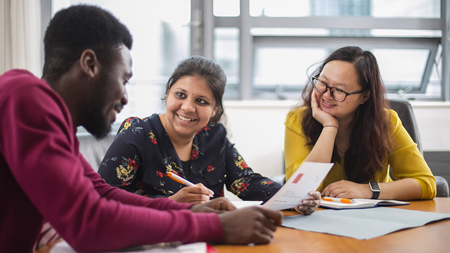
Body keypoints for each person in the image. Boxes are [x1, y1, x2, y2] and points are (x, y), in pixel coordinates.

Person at [0, 5, 285, 253]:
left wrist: (190, 210)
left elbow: (100, 191)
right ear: (89, 64)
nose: (125, 97)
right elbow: (90, 222)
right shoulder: (25, 95)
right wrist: (214, 226)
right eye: (124, 79)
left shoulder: (51, 119)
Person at [98, 56, 321, 212]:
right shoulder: (137, 133)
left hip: (213, 237)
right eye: (180, 94)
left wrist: (294, 197)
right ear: (167, 95)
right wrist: (171, 202)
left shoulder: (214, 137)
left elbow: (245, 182)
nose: (187, 107)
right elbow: (103, 201)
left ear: (215, 110)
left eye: (201, 101)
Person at [284, 46, 436, 201]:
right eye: (322, 82)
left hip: (376, 218)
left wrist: (367, 190)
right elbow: (298, 190)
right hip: (317, 219)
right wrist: (329, 127)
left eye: (339, 90)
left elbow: (426, 183)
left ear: (364, 96)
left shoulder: (386, 122)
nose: (326, 95)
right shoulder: (297, 120)